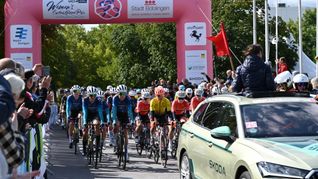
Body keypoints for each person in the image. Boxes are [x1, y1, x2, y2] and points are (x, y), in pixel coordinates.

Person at [112, 85, 134, 159]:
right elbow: (114, 110)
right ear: (117, 93)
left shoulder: (128, 98)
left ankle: (126, 151)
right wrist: (115, 121)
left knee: (125, 133)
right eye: (121, 94)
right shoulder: (115, 98)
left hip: (125, 114)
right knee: (116, 126)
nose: (122, 96)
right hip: (117, 114)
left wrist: (132, 120)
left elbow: (130, 111)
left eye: (124, 94)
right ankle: (115, 143)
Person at [82, 86, 104, 156]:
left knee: (96, 125)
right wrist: (85, 122)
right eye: (91, 95)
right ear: (88, 95)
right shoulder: (85, 100)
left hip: (95, 114)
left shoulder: (98, 101)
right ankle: (84, 149)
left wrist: (102, 121)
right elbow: (85, 112)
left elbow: (100, 112)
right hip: (87, 114)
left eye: (94, 95)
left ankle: (97, 146)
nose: (93, 97)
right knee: (85, 132)